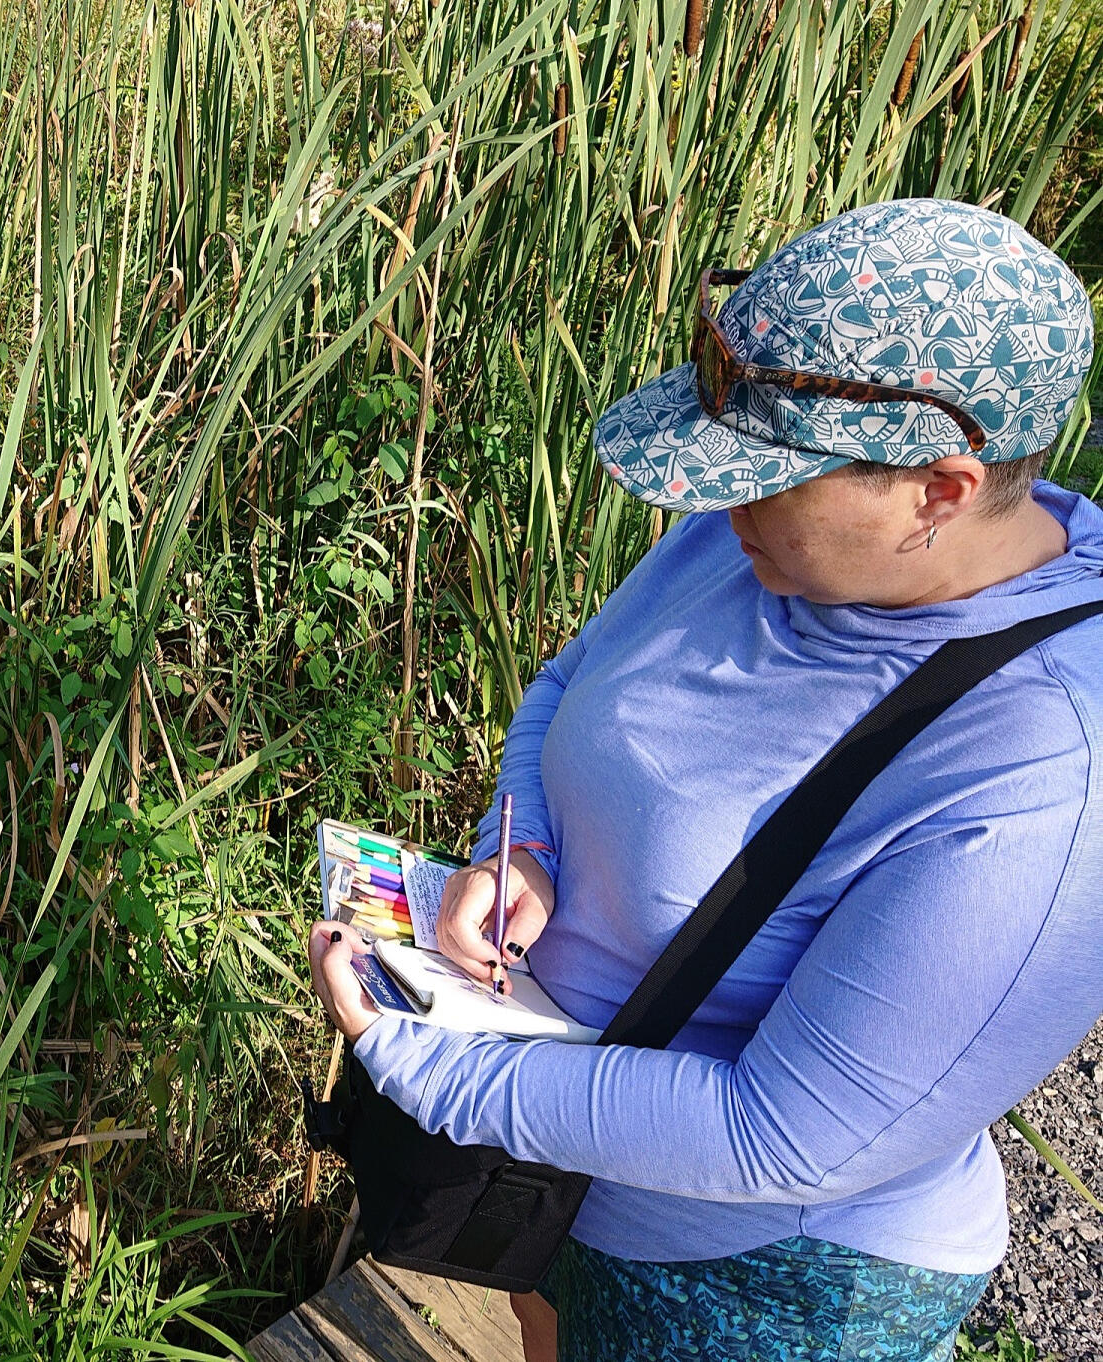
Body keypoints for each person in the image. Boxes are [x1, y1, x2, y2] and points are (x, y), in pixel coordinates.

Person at [307, 198, 1103, 1361]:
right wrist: (526, 850)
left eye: (771, 475)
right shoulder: (770, 548)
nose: (723, 501)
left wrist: (433, 1065)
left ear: (939, 490)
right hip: (565, 1180)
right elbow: (571, 681)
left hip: (761, 1279)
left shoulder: (1045, 773)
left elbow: (788, 1135)